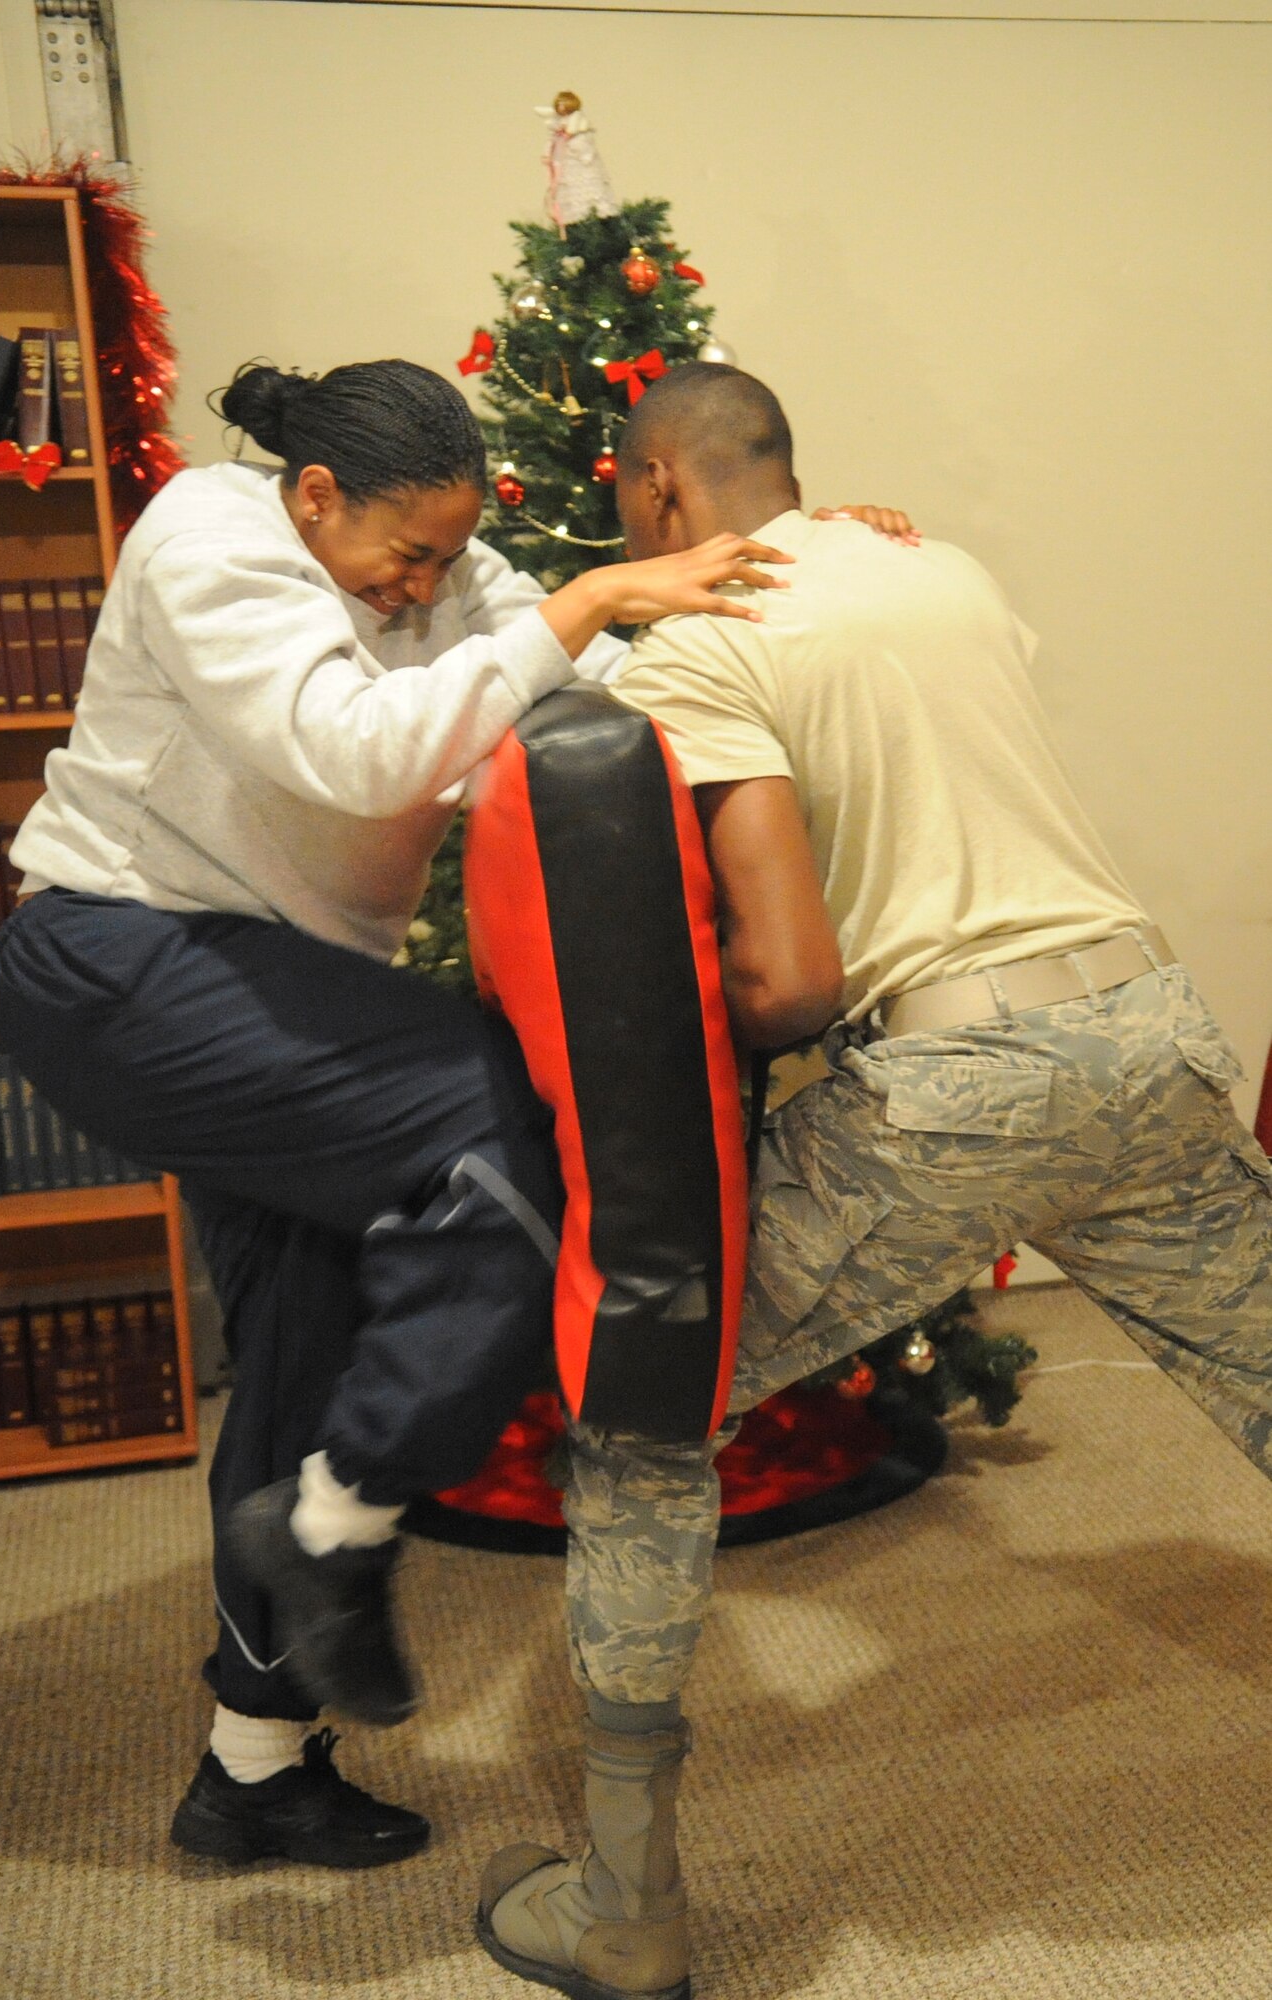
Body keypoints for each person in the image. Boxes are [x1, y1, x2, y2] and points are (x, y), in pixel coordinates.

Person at [476, 363, 1272, 2000]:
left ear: (656, 496)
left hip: (958, 1084)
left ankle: (623, 1910)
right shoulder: (935, 564)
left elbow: (789, 980)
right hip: (1152, 1030)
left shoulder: (691, 647)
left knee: (638, 1425)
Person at [0, 356, 799, 1872]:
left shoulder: (461, 574)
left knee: (314, 1340)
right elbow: (355, 755)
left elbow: (587, 690)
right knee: (498, 1142)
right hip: (120, 956)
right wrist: (572, 613)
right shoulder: (203, 538)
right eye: (398, 555)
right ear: (312, 496)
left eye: (443, 555)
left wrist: (807, 588)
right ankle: (337, 1525)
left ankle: (252, 1767)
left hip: (270, 988)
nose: (421, 583)